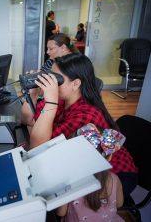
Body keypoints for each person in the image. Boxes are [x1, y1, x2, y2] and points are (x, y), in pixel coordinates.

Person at [21, 53, 138, 196]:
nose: (51, 82)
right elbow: (27, 119)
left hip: (114, 175)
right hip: (81, 164)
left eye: (56, 79)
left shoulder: (86, 116)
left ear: (76, 83)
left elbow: (38, 149)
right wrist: (33, 93)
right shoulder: (64, 99)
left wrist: (50, 103)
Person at [57, 124, 124, 222]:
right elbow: (119, 204)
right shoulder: (114, 179)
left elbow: (60, 213)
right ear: (109, 157)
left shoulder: (70, 183)